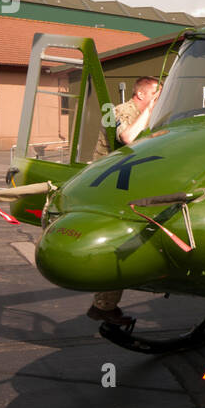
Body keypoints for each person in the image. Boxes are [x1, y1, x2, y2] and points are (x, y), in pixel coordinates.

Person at [87, 77, 161, 325]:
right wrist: (150, 111)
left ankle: (104, 305)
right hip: (107, 186)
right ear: (140, 95)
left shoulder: (148, 114)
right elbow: (128, 137)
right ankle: (103, 306)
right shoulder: (119, 111)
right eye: (155, 94)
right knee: (118, 243)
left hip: (126, 182)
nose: (158, 98)